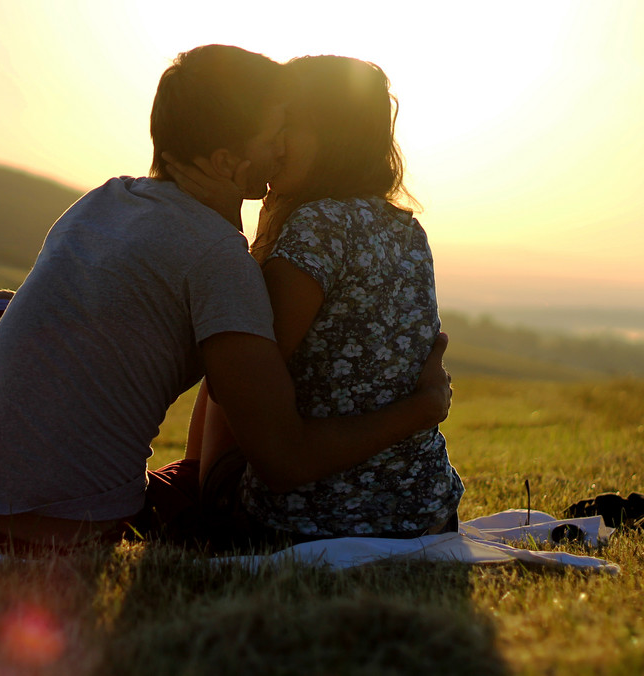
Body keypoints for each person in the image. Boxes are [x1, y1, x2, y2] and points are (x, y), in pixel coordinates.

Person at [0, 45, 454, 551]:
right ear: (226, 162)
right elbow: (278, 452)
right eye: (274, 132)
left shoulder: (100, 201)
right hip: (61, 534)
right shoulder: (225, 261)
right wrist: (424, 409)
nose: (281, 147)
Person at [173, 55, 463, 541]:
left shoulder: (316, 228)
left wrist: (256, 241)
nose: (274, 144)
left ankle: (202, 500)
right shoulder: (408, 229)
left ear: (333, 136)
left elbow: (238, 383)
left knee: (232, 353)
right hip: (426, 510)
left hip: (313, 520)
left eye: (288, 125)